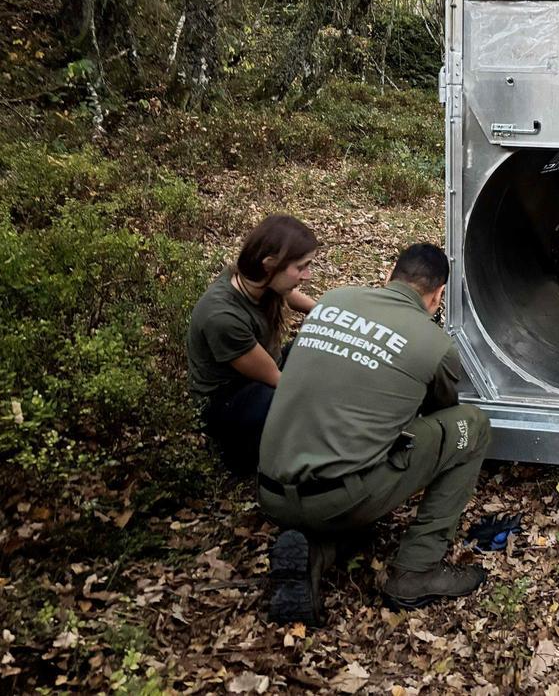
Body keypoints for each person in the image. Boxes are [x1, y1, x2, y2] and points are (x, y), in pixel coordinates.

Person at [257, 243, 492, 624]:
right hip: (340, 497)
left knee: (349, 463)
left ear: (388, 276)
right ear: (438, 295)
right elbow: (442, 415)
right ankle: (416, 570)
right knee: (472, 426)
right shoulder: (434, 343)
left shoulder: (333, 300)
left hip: (270, 489)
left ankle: (313, 555)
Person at [188, 214, 318, 476]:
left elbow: (297, 299)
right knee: (285, 403)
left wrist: (335, 318)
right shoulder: (223, 317)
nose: (307, 275)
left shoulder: (257, 279)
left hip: (264, 375)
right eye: (301, 267)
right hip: (229, 400)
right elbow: (277, 379)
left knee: (322, 342)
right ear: (270, 265)